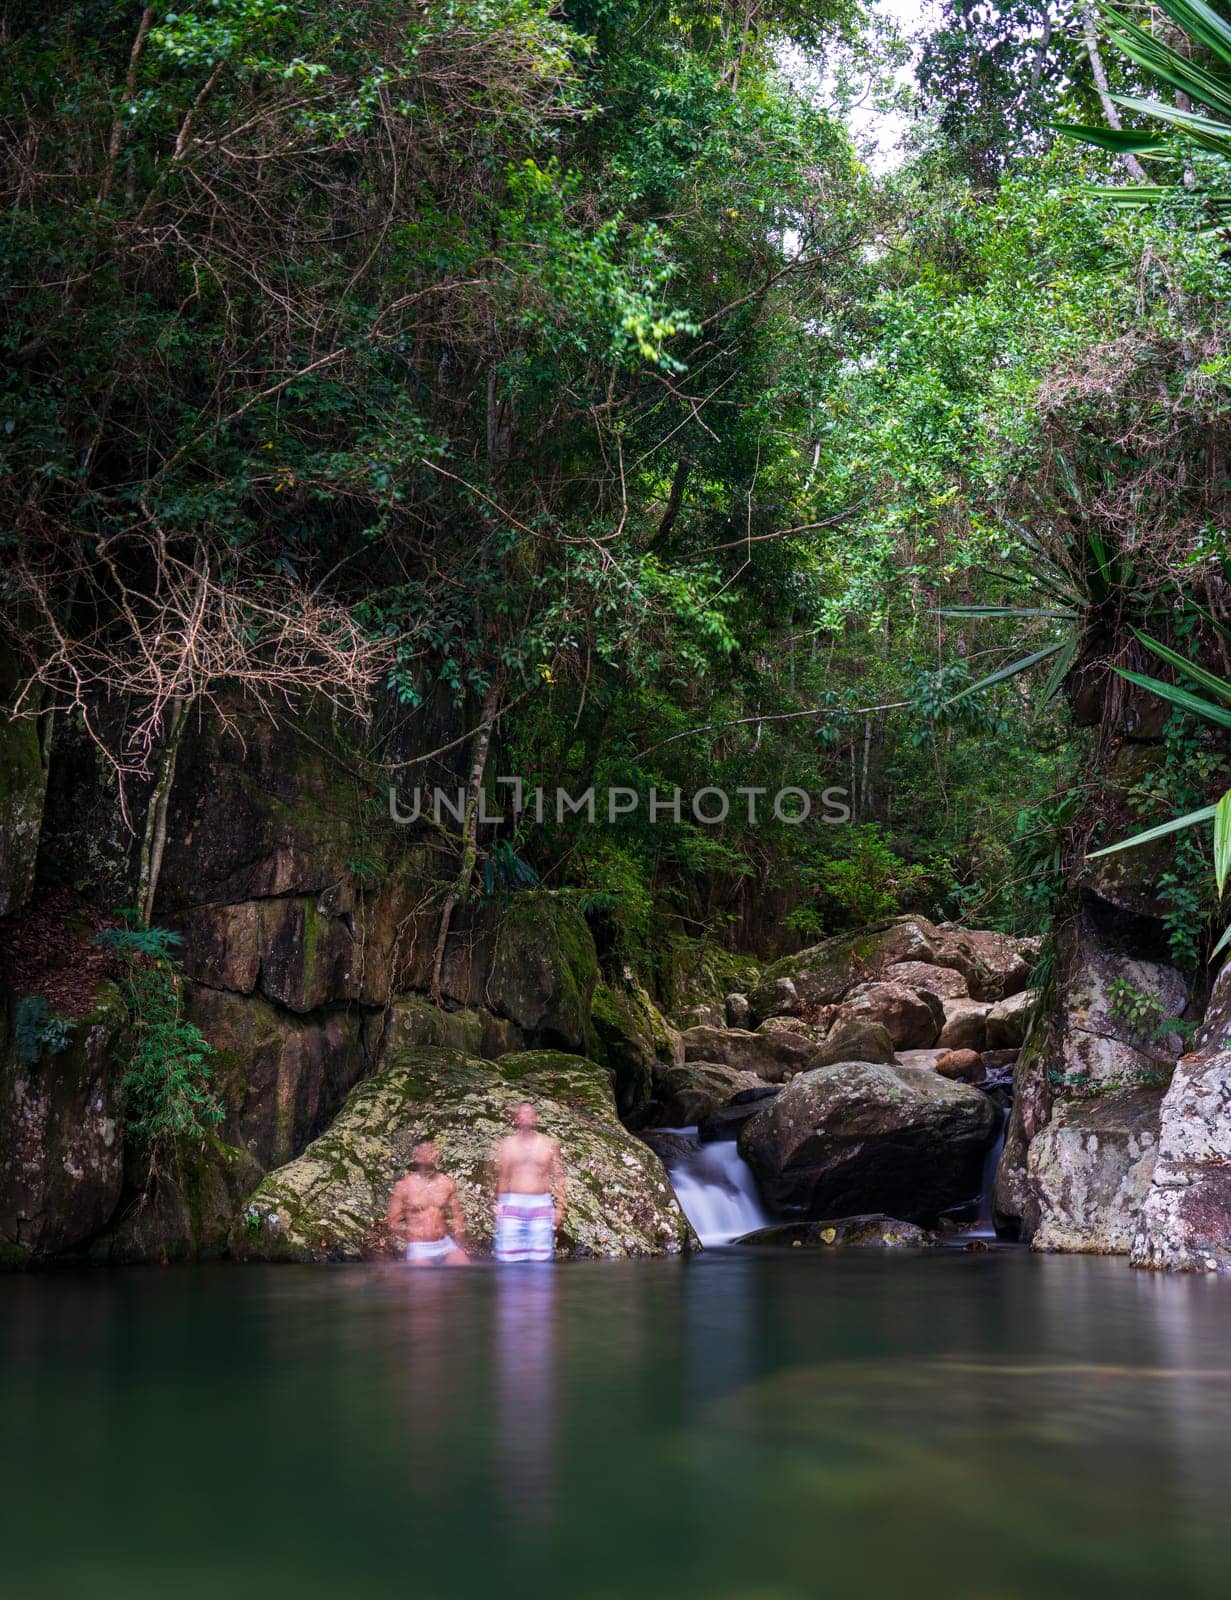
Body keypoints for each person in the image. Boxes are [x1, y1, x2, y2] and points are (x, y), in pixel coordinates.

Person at [491, 1102, 565, 1263]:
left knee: (540, 1263)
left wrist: (560, 1208)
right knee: (509, 1260)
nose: (525, 1117)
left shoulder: (549, 1144)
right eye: (522, 1113)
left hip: (540, 1204)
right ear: (517, 1118)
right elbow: (503, 1177)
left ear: (536, 1118)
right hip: (512, 1204)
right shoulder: (507, 1145)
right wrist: (499, 1205)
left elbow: (559, 1178)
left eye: (529, 1113)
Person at [386, 1140, 470, 1266]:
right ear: (417, 1155)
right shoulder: (405, 1186)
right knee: (428, 1281)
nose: (433, 1154)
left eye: (434, 1150)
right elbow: (393, 1222)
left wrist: (459, 1237)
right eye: (428, 1151)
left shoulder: (446, 1183)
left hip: (444, 1244)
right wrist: (412, 1236)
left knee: (464, 1268)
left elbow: (458, 1215)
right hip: (420, 1248)